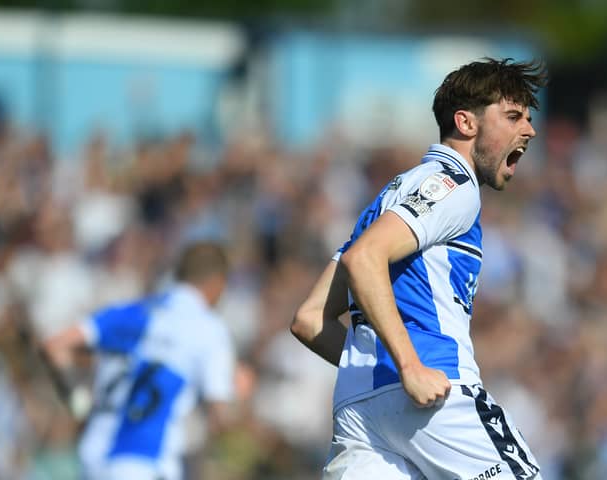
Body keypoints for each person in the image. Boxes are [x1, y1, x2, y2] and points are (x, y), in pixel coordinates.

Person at [291, 57, 548, 480]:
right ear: (466, 123)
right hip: (431, 395)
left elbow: (309, 318)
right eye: (514, 115)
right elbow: (364, 259)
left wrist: (383, 372)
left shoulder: (384, 204)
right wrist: (408, 367)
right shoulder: (451, 185)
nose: (529, 130)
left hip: (361, 412)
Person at [43, 240, 236, 480]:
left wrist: (77, 402)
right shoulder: (209, 329)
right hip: (145, 462)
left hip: (94, 457)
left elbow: (54, 347)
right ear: (218, 283)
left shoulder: (129, 312)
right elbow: (219, 415)